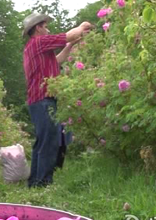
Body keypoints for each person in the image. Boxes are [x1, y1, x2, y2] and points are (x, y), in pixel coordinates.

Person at [22, 12, 92, 188]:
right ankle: (43, 183)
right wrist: (83, 26)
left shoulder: (36, 48)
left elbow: (57, 61)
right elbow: (72, 34)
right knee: (49, 142)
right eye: (45, 26)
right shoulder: (39, 42)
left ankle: (35, 183)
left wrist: (69, 46)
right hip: (43, 99)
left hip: (38, 100)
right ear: (38, 27)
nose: (47, 29)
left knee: (42, 142)